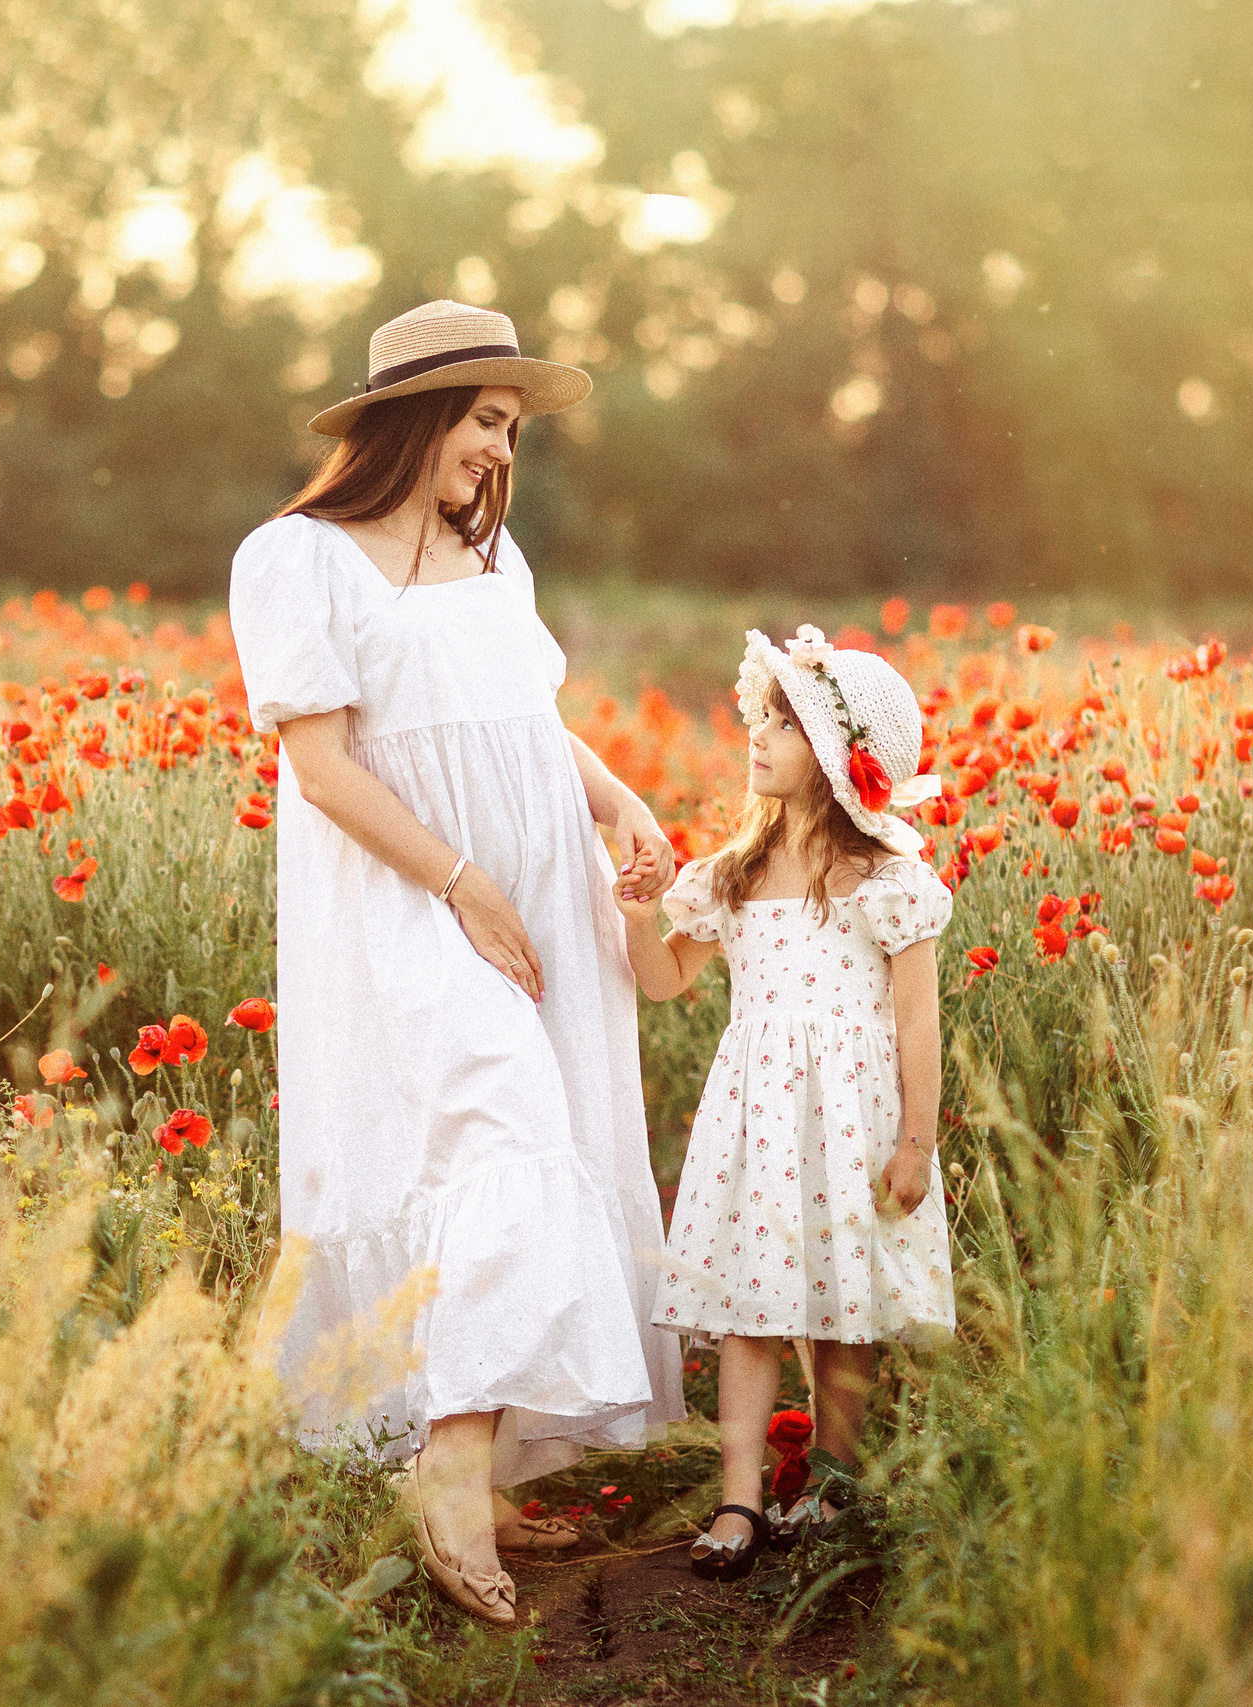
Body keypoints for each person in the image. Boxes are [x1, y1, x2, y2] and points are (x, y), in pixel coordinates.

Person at [230, 300, 685, 1626]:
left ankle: (490, 1452)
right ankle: (445, 1465)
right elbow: (319, 765)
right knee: (499, 1131)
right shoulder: (296, 557)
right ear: (416, 417)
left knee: (537, 1140)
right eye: (487, 421)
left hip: (537, 877)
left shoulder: (496, 560)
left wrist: (622, 806)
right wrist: (464, 885)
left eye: (512, 428)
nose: (501, 450)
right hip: (409, 891)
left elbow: (531, 724)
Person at [615, 625, 957, 1581]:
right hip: (760, 1122)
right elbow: (663, 980)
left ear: (843, 760)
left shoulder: (886, 881)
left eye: (782, 721)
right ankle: (739, 1499)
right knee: (750, 1311)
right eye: (758, 715)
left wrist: (916, 1143)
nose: (756, 734)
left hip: (854, 1122)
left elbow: (916, 1025)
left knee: (844, 1312)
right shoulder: (735, 872)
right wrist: (638, 910)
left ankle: (835, 1487)